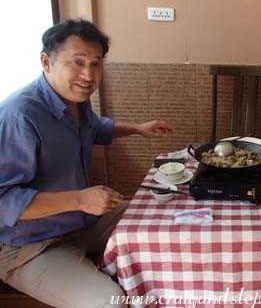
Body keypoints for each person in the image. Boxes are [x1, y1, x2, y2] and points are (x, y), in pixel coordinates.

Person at [0, 19, 175, 307]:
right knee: (111, 302)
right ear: (47, 62)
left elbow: (96, 128)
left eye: (96, 64)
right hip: (31, 247)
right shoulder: (19, 117)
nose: (88, 74)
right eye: (77, 62)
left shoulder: (76, 101)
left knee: (157, 211)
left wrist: (138, 128)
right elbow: (3, 200)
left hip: (82, 223)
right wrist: (80, 199)